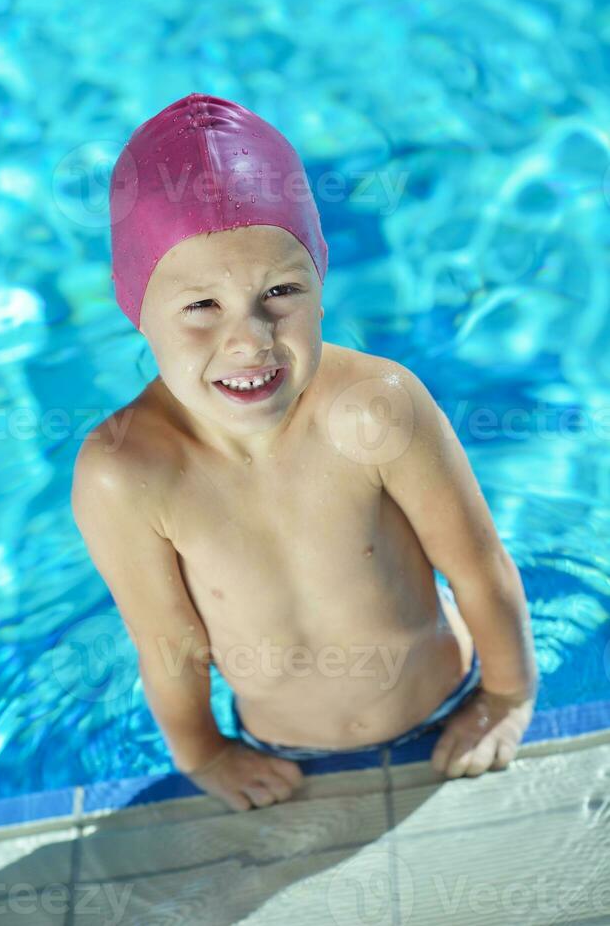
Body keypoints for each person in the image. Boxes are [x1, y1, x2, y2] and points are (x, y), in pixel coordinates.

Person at [71, 92, 538, 813]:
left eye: (281, 291)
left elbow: (479, 569)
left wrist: (507, 694)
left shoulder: (379, 406)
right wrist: (205, 754)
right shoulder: (126, 470)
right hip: (281, 748)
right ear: (135, 307)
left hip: (450, 695)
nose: (250, 340)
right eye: (201, 307)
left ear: (322, 281)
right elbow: (169, 643)